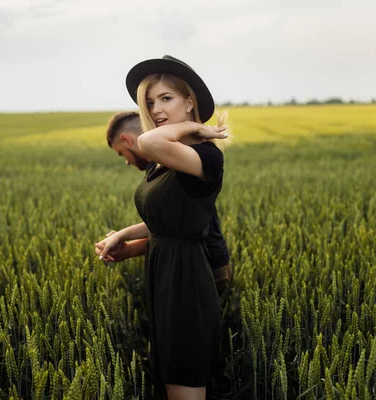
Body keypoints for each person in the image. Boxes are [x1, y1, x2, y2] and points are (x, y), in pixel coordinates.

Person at [97, 55, 229, 400]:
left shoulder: (205, 157)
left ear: (190, 102)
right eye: (150, 102)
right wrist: (124, 238)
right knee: (170, 378)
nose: (155, 109)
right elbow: (167, 223)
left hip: (185, 282)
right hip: (165, 275)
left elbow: (148, 141)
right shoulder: (165, 162)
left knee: (183, 378)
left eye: (166, 99)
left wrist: (195, 128)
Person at [96, 111, 232, 298]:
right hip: (182, 265)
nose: (127, 162)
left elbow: (178, 226)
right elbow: (166, 227)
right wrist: (124, 244)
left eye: (122, 154)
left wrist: (123, 238)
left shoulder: (180, 160)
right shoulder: (158, 166)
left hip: (205, 267)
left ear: (127, 139)